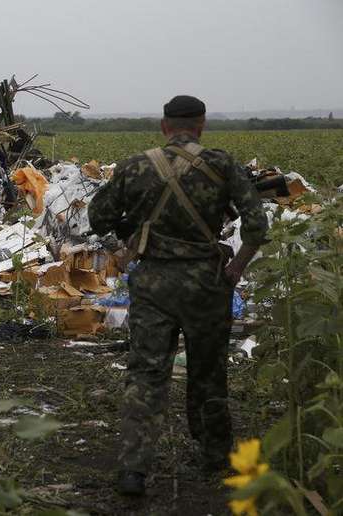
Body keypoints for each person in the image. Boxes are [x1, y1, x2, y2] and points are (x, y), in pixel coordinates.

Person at [87, 95, 268, 496]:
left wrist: (131, 234)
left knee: (146, 373)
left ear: (164, 126)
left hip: (152, 282)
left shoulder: (135, 166)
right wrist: (235, 269)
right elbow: (257, 224)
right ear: (201, 125)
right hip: (206, 284)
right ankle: (215, 456)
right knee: (208, 371)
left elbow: (97, 217)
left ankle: (133, 468)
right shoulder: (222, 165)